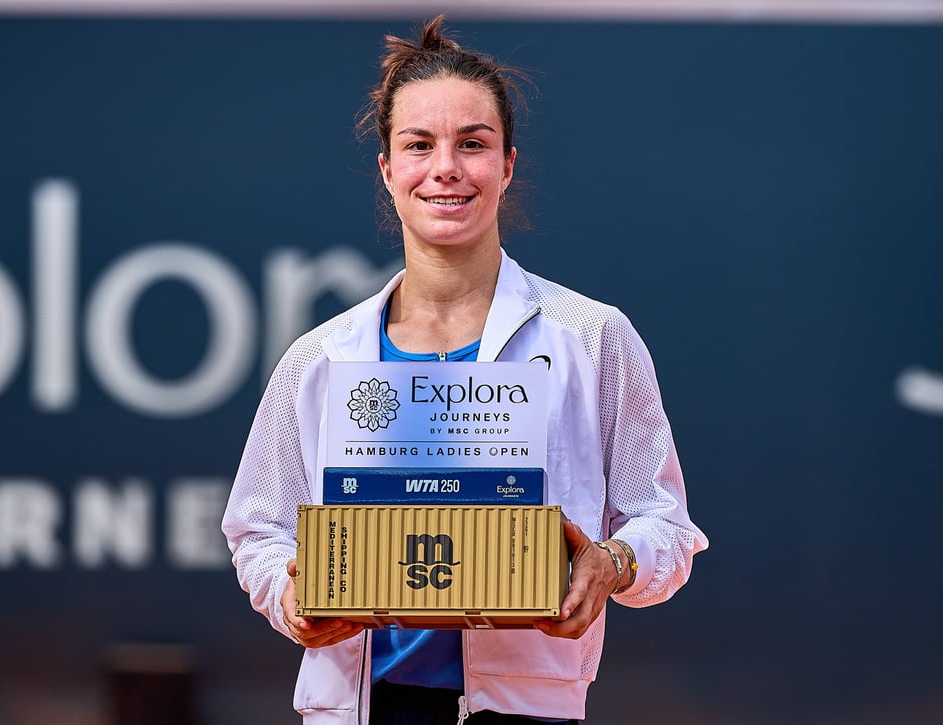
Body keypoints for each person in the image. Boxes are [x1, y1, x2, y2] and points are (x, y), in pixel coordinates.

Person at [221, 16, 707, 724]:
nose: (445, 168)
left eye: (472, 144)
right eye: (419, 144)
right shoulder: (320, 359)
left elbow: (664, 525)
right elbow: (259, 531)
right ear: (388, 170)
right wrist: (290, 596)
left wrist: (613, 563)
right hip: (358, 707)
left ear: (506, 166)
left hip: (527, 708)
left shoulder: (592, 337)